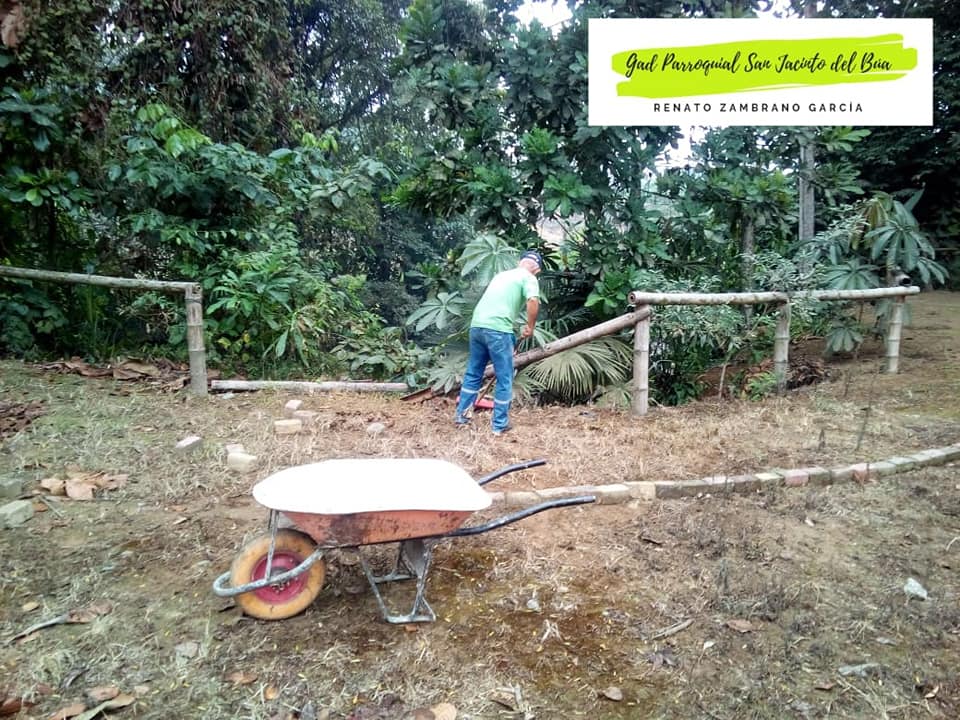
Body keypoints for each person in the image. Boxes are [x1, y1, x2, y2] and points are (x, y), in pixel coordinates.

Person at [454, 249, 542, 435]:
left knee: (473, 372)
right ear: (537, 270)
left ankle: (462, 417)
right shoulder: (529, 278)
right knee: (505, 377)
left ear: (519, 262)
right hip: (499, 330)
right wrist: (530, 326)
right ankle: (499, 425)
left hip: (477, 326)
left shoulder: (502, 275)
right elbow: (533, 300)